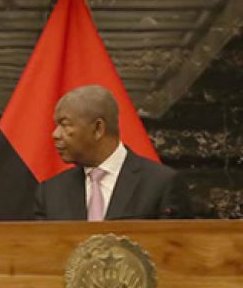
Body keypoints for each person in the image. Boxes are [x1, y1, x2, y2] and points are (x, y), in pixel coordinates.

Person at [35, 85, 191, 221]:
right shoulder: (51, 193)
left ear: (98, 128)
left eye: (64, 124)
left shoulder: (160, 184)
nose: (55, 134)